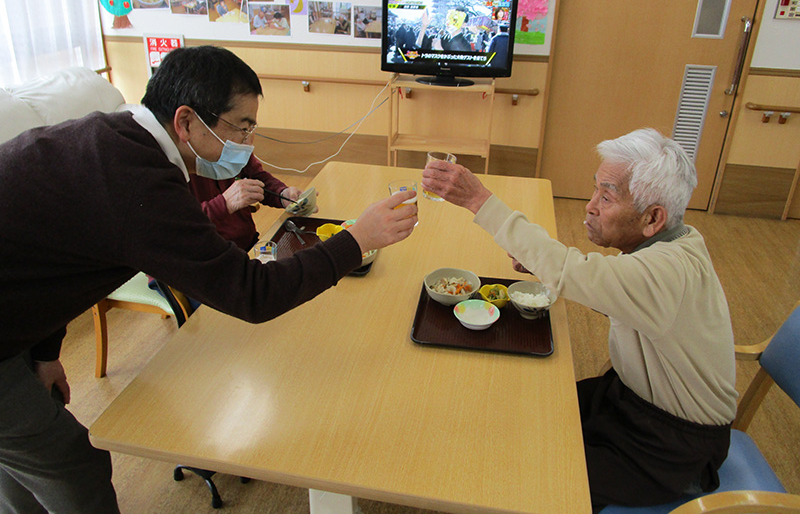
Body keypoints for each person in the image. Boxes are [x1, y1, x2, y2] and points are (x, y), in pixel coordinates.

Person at [0, 46, 417, 513]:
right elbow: (251, 294)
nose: (247, 142)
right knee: (71, 463)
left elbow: (56, 256)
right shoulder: (137, 180)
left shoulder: (115, 140)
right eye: (240, 127)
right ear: (185, 121)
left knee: (19, 467)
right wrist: (357, 239)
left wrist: (42, 351)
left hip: (15, 317)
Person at [421, 128, 736, 512]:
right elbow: (606, 287)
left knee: (538, 477)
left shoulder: (667, 271)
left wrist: (477, 199)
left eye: (607, 196)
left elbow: (578, 272)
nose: (590, 206)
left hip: (669, 446)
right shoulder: (674, 241)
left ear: (653, 217)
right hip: (630, 401)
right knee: (528, 409)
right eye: (595, 191)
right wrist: (546, 267)